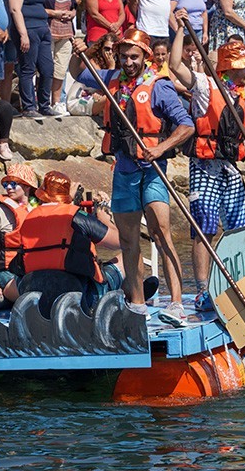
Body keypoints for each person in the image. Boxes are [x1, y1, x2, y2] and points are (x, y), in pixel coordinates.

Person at [72, 28, 195, 321]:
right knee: (128, 241)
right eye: (124, 56)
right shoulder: (112, 78)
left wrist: (161, 147)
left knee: (161, 235)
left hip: (153, 171)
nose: (128, 62)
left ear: (145, 57)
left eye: (134, 57)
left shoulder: (159, 87)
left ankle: (176, 303)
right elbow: (78, 73)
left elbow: (186, 125)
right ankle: (138, 303)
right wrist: (81, 51)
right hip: (124, 171)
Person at [168, 25, 245, 315]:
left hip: (230, 167)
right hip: (204, 165)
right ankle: (203, 289)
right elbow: (175, 66)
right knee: (205, 227)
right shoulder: (205, 85)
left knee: (238, 227)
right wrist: (180, 31)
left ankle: (241, 284)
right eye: (243, 67)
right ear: (229, 68)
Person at [7, 170, 124, 316]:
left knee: (10, 285)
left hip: (35, 290)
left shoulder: (29, 217)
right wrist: (104, 218)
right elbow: (121, 242)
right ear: (66, 194)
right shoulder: (77, 216)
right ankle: (134, 304)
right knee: (130, 256)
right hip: (80, 296)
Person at [6, 0, 55, 117]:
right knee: (28, 69)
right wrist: (23, 34)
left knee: (47, 69)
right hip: (28, 30)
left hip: (42, 30)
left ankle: (44, 105)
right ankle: (29, 107)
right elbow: (15, 9)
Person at [0, 163, 37, 296]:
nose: (9, 188)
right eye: (6, 184)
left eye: (14, 184)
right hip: (3, 272)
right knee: (28, 294)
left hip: (26, 270)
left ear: (27, 186)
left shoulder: (35, 211)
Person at [42, 0, 77, 116]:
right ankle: (43, 102)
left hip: (66, 33)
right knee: (46, 69)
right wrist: (54, 13)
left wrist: (72, 13)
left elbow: (74, 6)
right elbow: (36, 8)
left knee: (61, 70)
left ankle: (56, 102)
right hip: (48, 32)